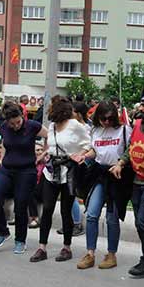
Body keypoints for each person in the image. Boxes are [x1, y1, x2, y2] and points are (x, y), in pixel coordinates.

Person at [111, 93, 144, 278]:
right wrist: (121, 163)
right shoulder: (139, 126)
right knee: (139, 222)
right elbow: (131, 147)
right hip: (137, 180)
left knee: (143, 219)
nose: (139, 109)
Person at [31, 96, 90, 263]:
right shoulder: (51, 127)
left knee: (65, 210)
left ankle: (67, 247)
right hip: (51, 171)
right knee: (48, 208)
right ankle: (42, 247)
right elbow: (50, 146)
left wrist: (80, 155)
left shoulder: (75, 126)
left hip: (69, 172)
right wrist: (43, 155)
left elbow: (88, 144)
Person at [77, 101, 132, 270]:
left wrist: (121, 163)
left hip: (117, 176)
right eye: (103, 119)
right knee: (92, 213)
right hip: (99, 174)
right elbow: (96, 150)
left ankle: (111, 254)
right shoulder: (96, 130)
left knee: (111, 218)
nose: (106, 122)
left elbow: (131, 149)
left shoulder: (124, 130)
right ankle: (90, 253)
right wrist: (85, 156)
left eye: (109, 118)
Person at [0, 102, 48, 254]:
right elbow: (5, 143)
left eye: (18, 122)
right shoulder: (4, 128)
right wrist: (2, 157)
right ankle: (2, 231)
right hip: (7, 169)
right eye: (12, 123)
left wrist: (42, 155)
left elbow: (50, 135)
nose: (15, 126)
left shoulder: (32, 126)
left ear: (22, 116)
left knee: (20, 205)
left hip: (26, 171)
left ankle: (20, 240)